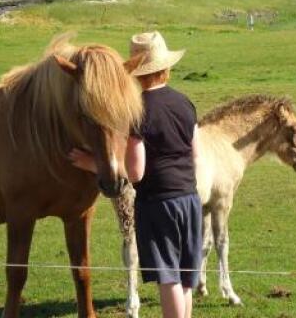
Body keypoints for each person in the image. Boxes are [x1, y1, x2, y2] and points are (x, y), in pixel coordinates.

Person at [69, 31, 202, 318]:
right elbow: (195, 155)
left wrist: (93, 164)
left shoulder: (138, 111)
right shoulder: (185, 103)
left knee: (169, 277)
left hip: (159, 204)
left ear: (136, 74)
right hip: (190, 198)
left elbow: (136, 172)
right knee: (186, 277)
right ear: (166, 68)